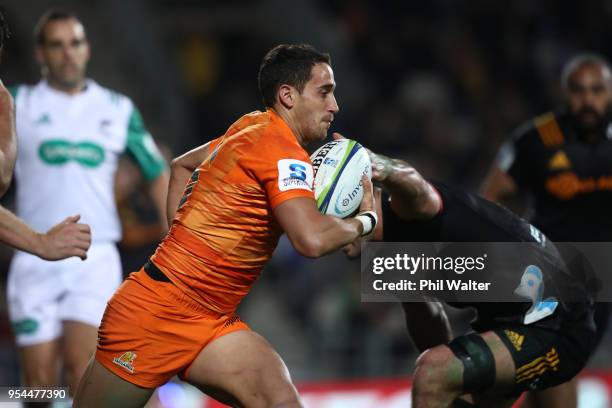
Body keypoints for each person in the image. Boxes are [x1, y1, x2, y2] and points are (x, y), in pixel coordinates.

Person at [73, 43, 377, 407]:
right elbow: (310, 241)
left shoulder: (251, 126)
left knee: (279, 400)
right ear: (288, 96)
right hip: (154, 315)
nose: (334, 106)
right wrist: (367, 219)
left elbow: (181, 166)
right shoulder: (283, 152)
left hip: (211, 319)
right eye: (324, 92)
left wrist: (181, 242)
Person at [342, 140, 595, 408]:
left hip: (557, 319)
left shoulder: (407, 208)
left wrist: (380, 164)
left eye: (331, 219)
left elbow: (414, 184)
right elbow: (433, 334)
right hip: (509, 322)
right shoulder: (392, 258)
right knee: (441, 382)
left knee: (432, 374)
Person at [7, 9, 169, 399]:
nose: (68, 53)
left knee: (83, 372)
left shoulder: (117, 109)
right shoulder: (16, 104)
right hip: (33, 253)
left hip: (93, 258)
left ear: (88, 49)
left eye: (75, 43)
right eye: (57, 45)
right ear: (41, 53)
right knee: (39, 387)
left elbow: (157, 170)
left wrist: (175, 239)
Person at [481, 53, 612, 408]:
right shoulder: (536, 139)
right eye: (578, 90)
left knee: (547, 371)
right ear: (564, 93)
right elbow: (490, 198)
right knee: (560, 361)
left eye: (597, 90)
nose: (588, 100)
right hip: (552, 268)